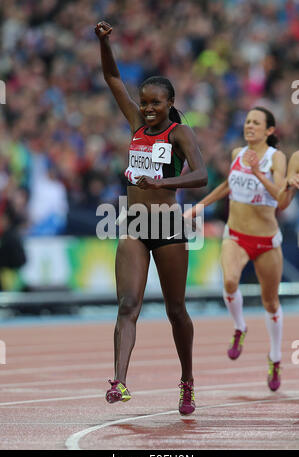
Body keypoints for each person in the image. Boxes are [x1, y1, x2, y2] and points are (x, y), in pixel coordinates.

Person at [95, 21, 207, 415]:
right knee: (127, 304)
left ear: (169, 102)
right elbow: (111, 77)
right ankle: (119, 382)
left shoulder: (179, 133)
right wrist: (104, 42)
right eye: (144, 101)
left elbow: (201, 175)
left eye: (155, 102)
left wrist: (162, 183)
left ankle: (187, 381)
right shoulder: (135, 126)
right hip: (134, 226)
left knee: (176, 310)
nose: (147, 107)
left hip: (169, 227)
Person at [184, 107, 287, 391]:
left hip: (266, 241)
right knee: (229, 281)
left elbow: (281, 196)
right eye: (247, 121)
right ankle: (240, 327)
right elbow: (228, 186)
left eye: (256, 122)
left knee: (271, 303)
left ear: (269, 130)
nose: (249, 125)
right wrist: (198, 208)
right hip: (236, 235)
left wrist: (258, 173)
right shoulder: (237, 153)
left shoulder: (276, 158)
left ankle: (276, 358)